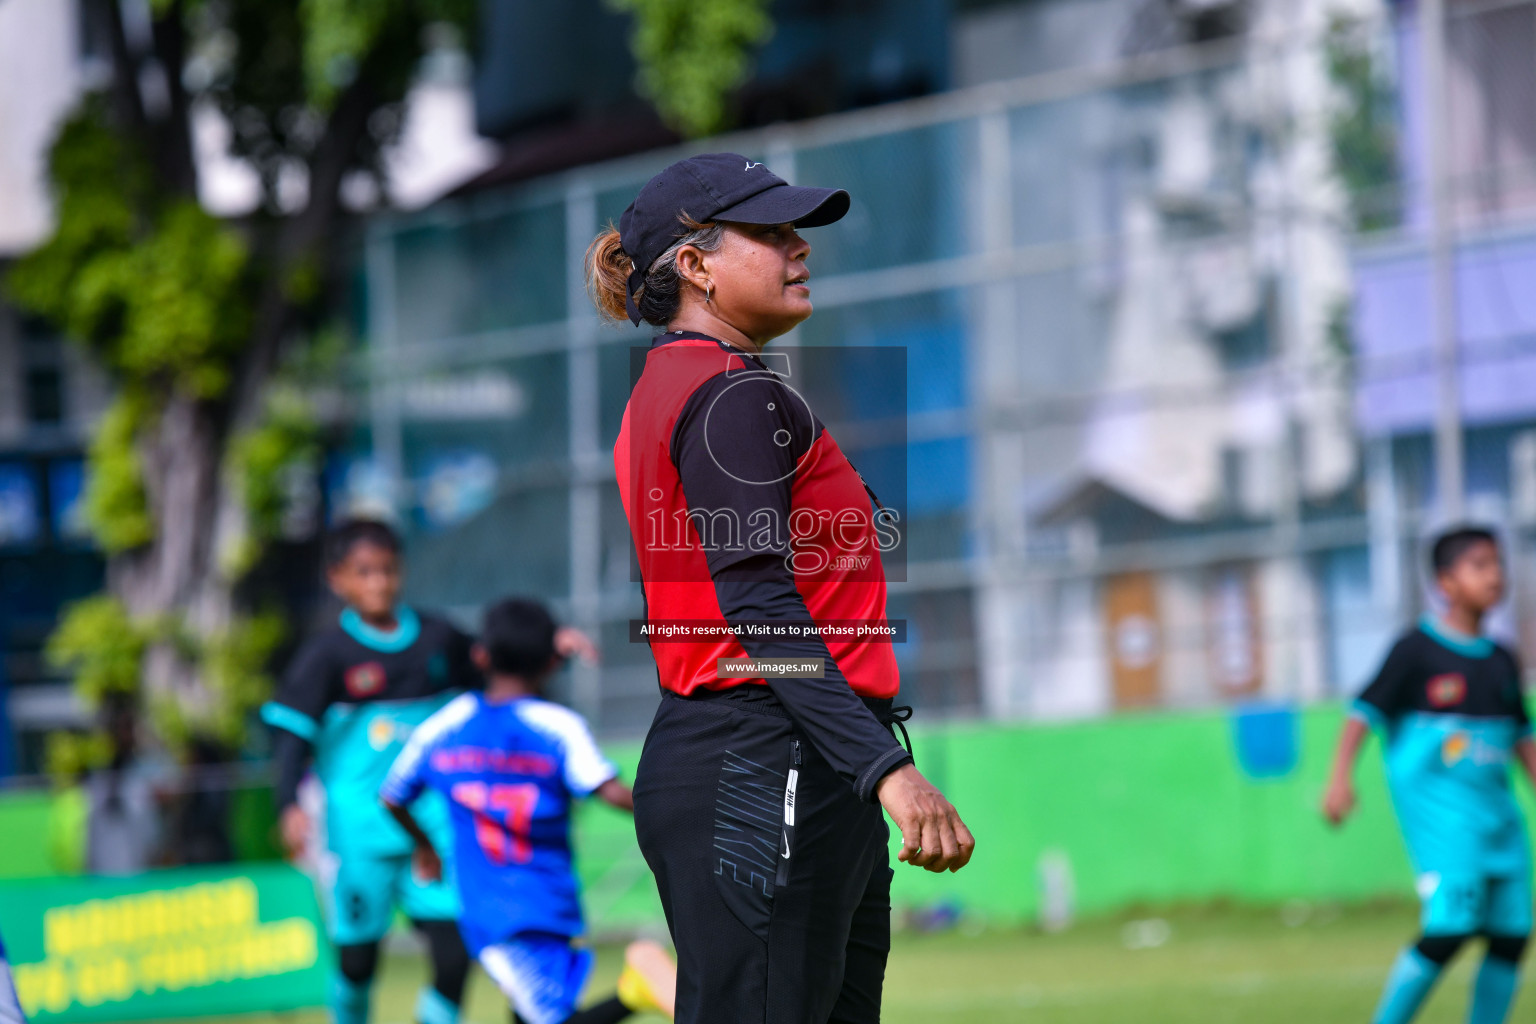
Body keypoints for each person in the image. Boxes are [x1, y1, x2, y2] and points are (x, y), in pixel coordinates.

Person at [586, 151, 976, 1023]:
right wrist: (884, 771)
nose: (800, 247)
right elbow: (760, 613)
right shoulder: (727, 397)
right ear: (695, 265)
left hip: (785, 755)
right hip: (765, 756)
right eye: (770, 233)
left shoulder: (699, 387)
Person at [381, 596, 676, 1024]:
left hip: (488, 908)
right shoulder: (558, 727)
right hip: (546, 902)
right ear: (551, 663)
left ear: (481, 655)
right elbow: (611, 793)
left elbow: (392, 795)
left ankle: (635, 990)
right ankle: (635, 989)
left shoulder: (447, 724)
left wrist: (423, 845)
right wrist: (683, 812)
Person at [262, 518, 476, 1024]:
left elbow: (498, 659)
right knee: (359, 962)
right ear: (338, 579)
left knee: (453, 953)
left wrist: (552, 641)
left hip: (434, 826)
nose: (378, 583)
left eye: (387, 571)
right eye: (364, 572)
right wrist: (287, 803)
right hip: (359, 830)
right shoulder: (326, 655)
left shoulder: (438, 639)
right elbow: (291, 738)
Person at [1323, 526, 1536, 1024]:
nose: (1494, 575)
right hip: (1444, 822)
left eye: (1497, 564)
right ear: (1445, 581)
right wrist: (1339, 779)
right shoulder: (1415, 651)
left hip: (1500, 821)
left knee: (1512, 935)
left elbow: (1522, 739)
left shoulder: (1503, 660)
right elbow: (1363, 713)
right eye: (1479, 565)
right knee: (1450, 927)